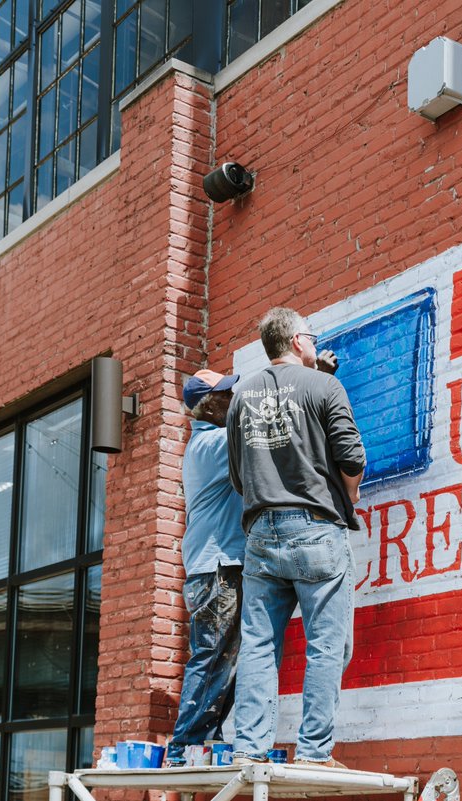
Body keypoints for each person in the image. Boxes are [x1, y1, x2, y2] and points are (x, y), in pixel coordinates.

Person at [226, 307, 365, 768]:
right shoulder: (325, 386)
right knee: (327, 643)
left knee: (259, 644)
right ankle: (313, 753)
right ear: (298, 340)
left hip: (261, 532)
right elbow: (351, 456)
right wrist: (350, 497)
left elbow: (239, 475)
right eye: (312, 336)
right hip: (316, 528)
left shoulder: (241, 395)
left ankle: (249, 749)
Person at [166, 369, 245, 767]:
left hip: (213, 566)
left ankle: (200, 741)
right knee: (213, 654)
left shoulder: (206, 443)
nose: (234, 399)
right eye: (227, 394)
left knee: (225, 656)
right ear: (209, 406)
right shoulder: (215, 444)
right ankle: (183, 747)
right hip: (217, 568)